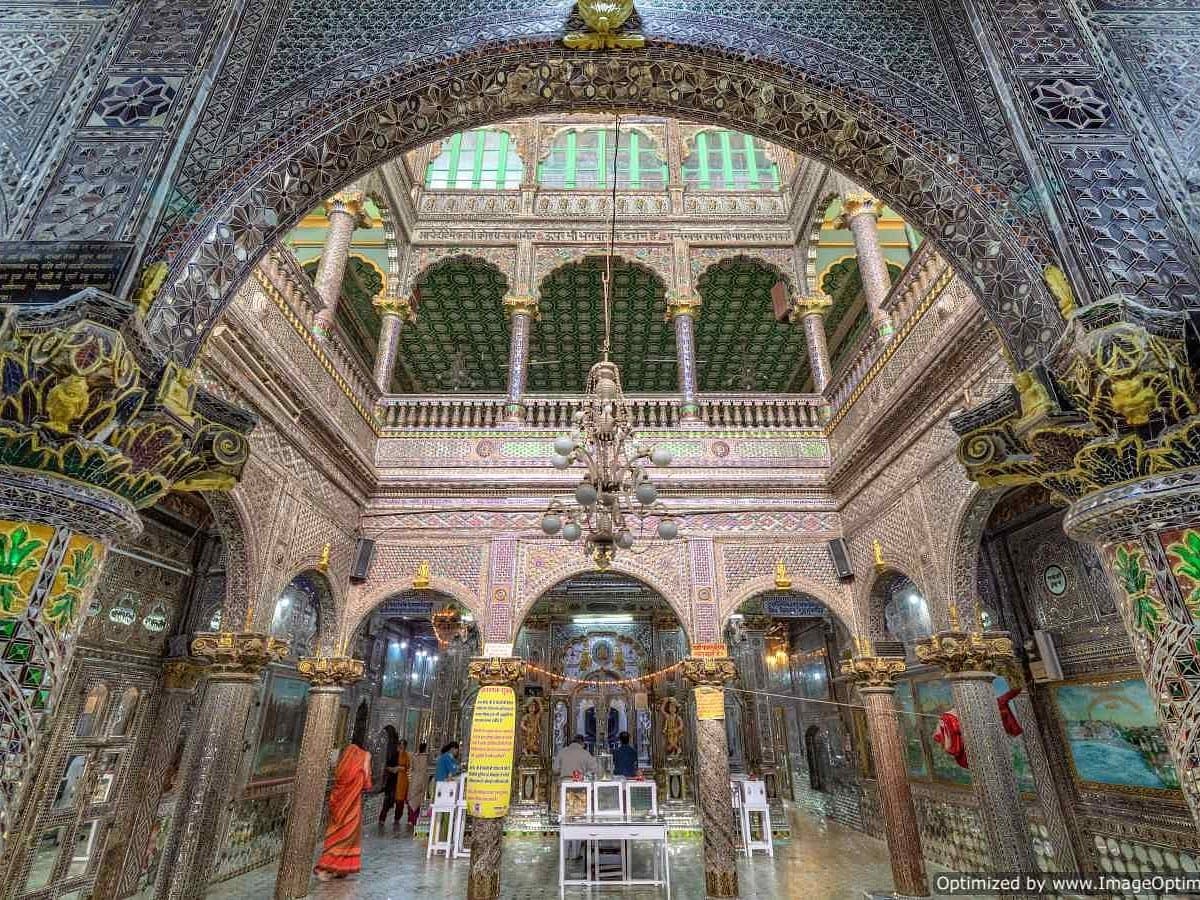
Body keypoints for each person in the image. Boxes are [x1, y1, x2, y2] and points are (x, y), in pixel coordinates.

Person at [315, 736, 372, 881]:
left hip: (339, 809)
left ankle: (338, 869)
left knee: (335, 838)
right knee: (346, 840)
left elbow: (338, 784)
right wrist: (366, 761)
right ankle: (324, 867)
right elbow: (367, 785)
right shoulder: (360, 768)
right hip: (351, 812)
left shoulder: (342, 768)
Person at [377, 735, 401, 829]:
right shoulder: (394, 755)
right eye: (400, 746)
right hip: (392, 783)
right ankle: (382, 820)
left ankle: (396, 819)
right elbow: (387, 766)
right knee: (387, 802)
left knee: (399, 803)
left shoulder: (405, 756)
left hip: (399, 783)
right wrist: (394, 769)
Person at [406, 741, 431, 830]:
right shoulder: (427, 757)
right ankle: (415, 819)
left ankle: (410, 819)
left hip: (414, 779)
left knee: (412, 798)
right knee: (418, 800)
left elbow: (411, 768)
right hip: (422, 779)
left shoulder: (414, 756)